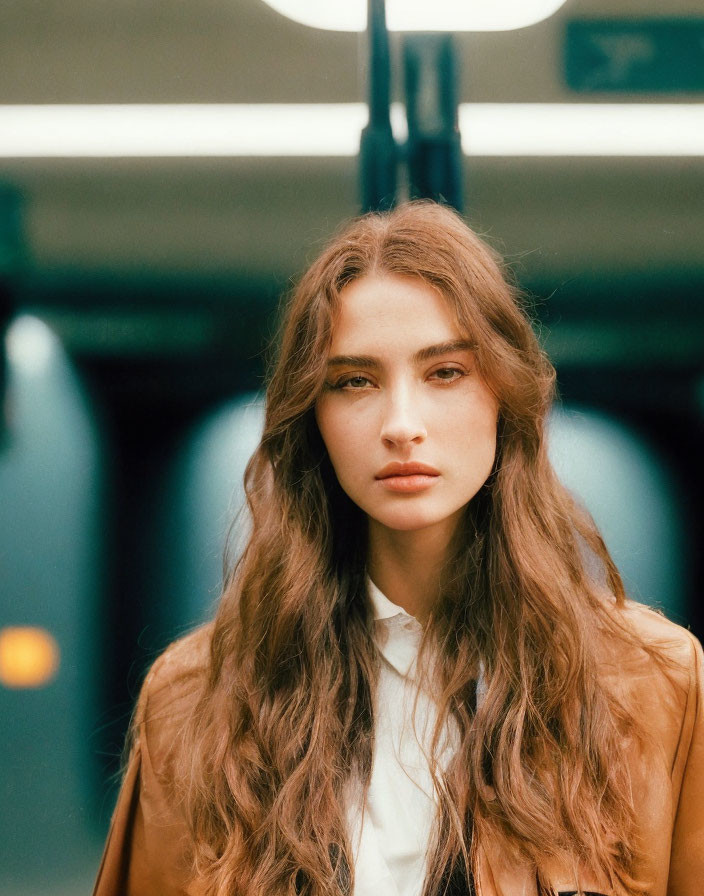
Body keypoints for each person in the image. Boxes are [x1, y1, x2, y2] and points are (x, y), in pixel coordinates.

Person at [93, 201, 704, 896]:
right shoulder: (196, 698)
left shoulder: (653, 685)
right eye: (355, 381)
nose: (401, 424)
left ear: (504, 394)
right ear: (311, 417)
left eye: (445, 373)